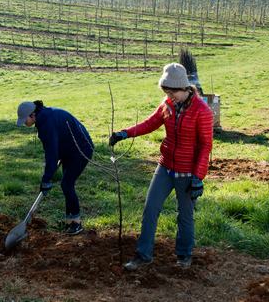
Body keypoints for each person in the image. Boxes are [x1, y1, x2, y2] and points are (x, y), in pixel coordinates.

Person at [110, 63, 213, 270]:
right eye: (166, 91)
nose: (169, 95)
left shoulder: (202, 111)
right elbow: (150, 123)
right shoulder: (167, 105)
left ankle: (184, 256)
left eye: (172, 91)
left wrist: (198, 176)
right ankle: (143, 255)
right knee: (150, 209)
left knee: (185, 216)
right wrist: (125, 133)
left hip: (187, 172)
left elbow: (205, 146)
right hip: (165, 167)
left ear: (183, 88)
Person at [16, 100, 93, 235]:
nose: (24, 123)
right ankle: (71, 221)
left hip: (81, 149)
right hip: (69, 149)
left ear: (33, 115)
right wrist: (49, 174)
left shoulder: (46, 123)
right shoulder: (45, 116)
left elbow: (51, 154)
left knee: (67, 184)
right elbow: (55, 149)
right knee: (66, 184)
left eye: (24, 119)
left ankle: (76, 223)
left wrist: (46, 178)